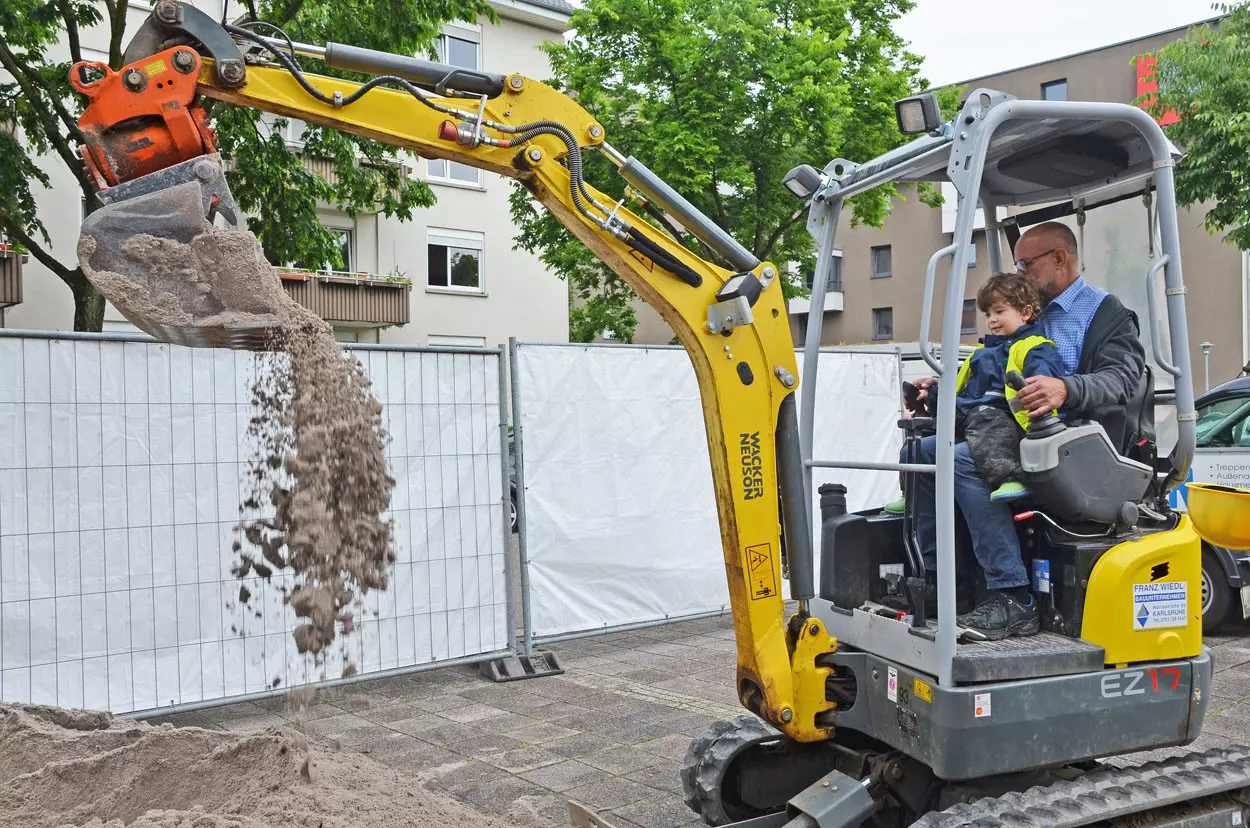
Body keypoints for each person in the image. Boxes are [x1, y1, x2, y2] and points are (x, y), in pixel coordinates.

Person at [902, 222, 1147, 640]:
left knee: (962, 458)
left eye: (1024, 263)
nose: (1017, 272)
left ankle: (1015, 597)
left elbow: (1123, 379)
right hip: (1016, 432)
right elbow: (989, 373)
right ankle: (941, 580)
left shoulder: (1106, 314)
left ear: (1059, 259)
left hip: (1074, 442)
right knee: (921, 452)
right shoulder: (1019, 314)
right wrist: (942, 387)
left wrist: (1067, 387)